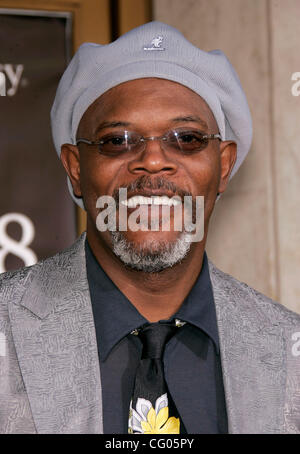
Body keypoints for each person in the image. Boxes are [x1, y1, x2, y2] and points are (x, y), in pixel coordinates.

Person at [0, 21, 299, 435]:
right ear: (75, 168)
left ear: (224, 165)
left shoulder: (288, 349)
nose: (154, 160)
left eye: (188, 139)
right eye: (118, 140)